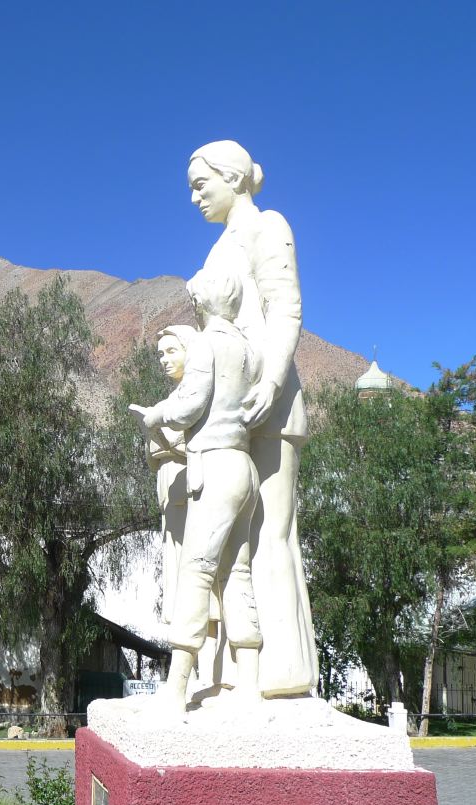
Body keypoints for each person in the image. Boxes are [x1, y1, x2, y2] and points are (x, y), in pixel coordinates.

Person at [184, 140, 318, 698]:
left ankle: (285, 668)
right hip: (230, 406)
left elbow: (286, 307)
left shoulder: (269, 226)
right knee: (226, 539)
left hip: (271, 400)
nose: (194, 196)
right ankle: (230, 671)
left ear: (234, 176)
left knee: (270, 533)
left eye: (200, 184)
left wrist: (271, 379)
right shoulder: (220, 247)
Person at [130, 268, 263, 713]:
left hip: (216, 463)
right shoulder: (248, 349)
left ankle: (176, 687)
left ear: (200, 303)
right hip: (245, 466)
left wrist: (154, 415)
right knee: (236, 573)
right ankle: (249, 683)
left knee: (197, 570)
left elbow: (191, 402)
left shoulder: (206, 343)